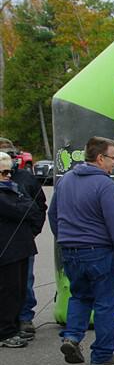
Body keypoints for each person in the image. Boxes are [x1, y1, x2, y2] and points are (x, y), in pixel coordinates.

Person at [47, 137, 114, 365]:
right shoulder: (105, 185)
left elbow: (53, 215)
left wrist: (65, 238)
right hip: (100, 252)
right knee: (106, 303)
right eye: (113, 158)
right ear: (100, 158)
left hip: (71, 250)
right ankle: (103, 354)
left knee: (80, 296)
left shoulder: (65, 180)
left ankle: (72, 337)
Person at [0, 137, 46, 338]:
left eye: (10, 157)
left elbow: (37, 207)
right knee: (7, 288)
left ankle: (23, 319)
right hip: (6, 244)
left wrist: (33, 230)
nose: (8, 173)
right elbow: (19, 208)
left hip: (22, 241)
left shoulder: (25, 179)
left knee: (21, 285)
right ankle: (7, 327)